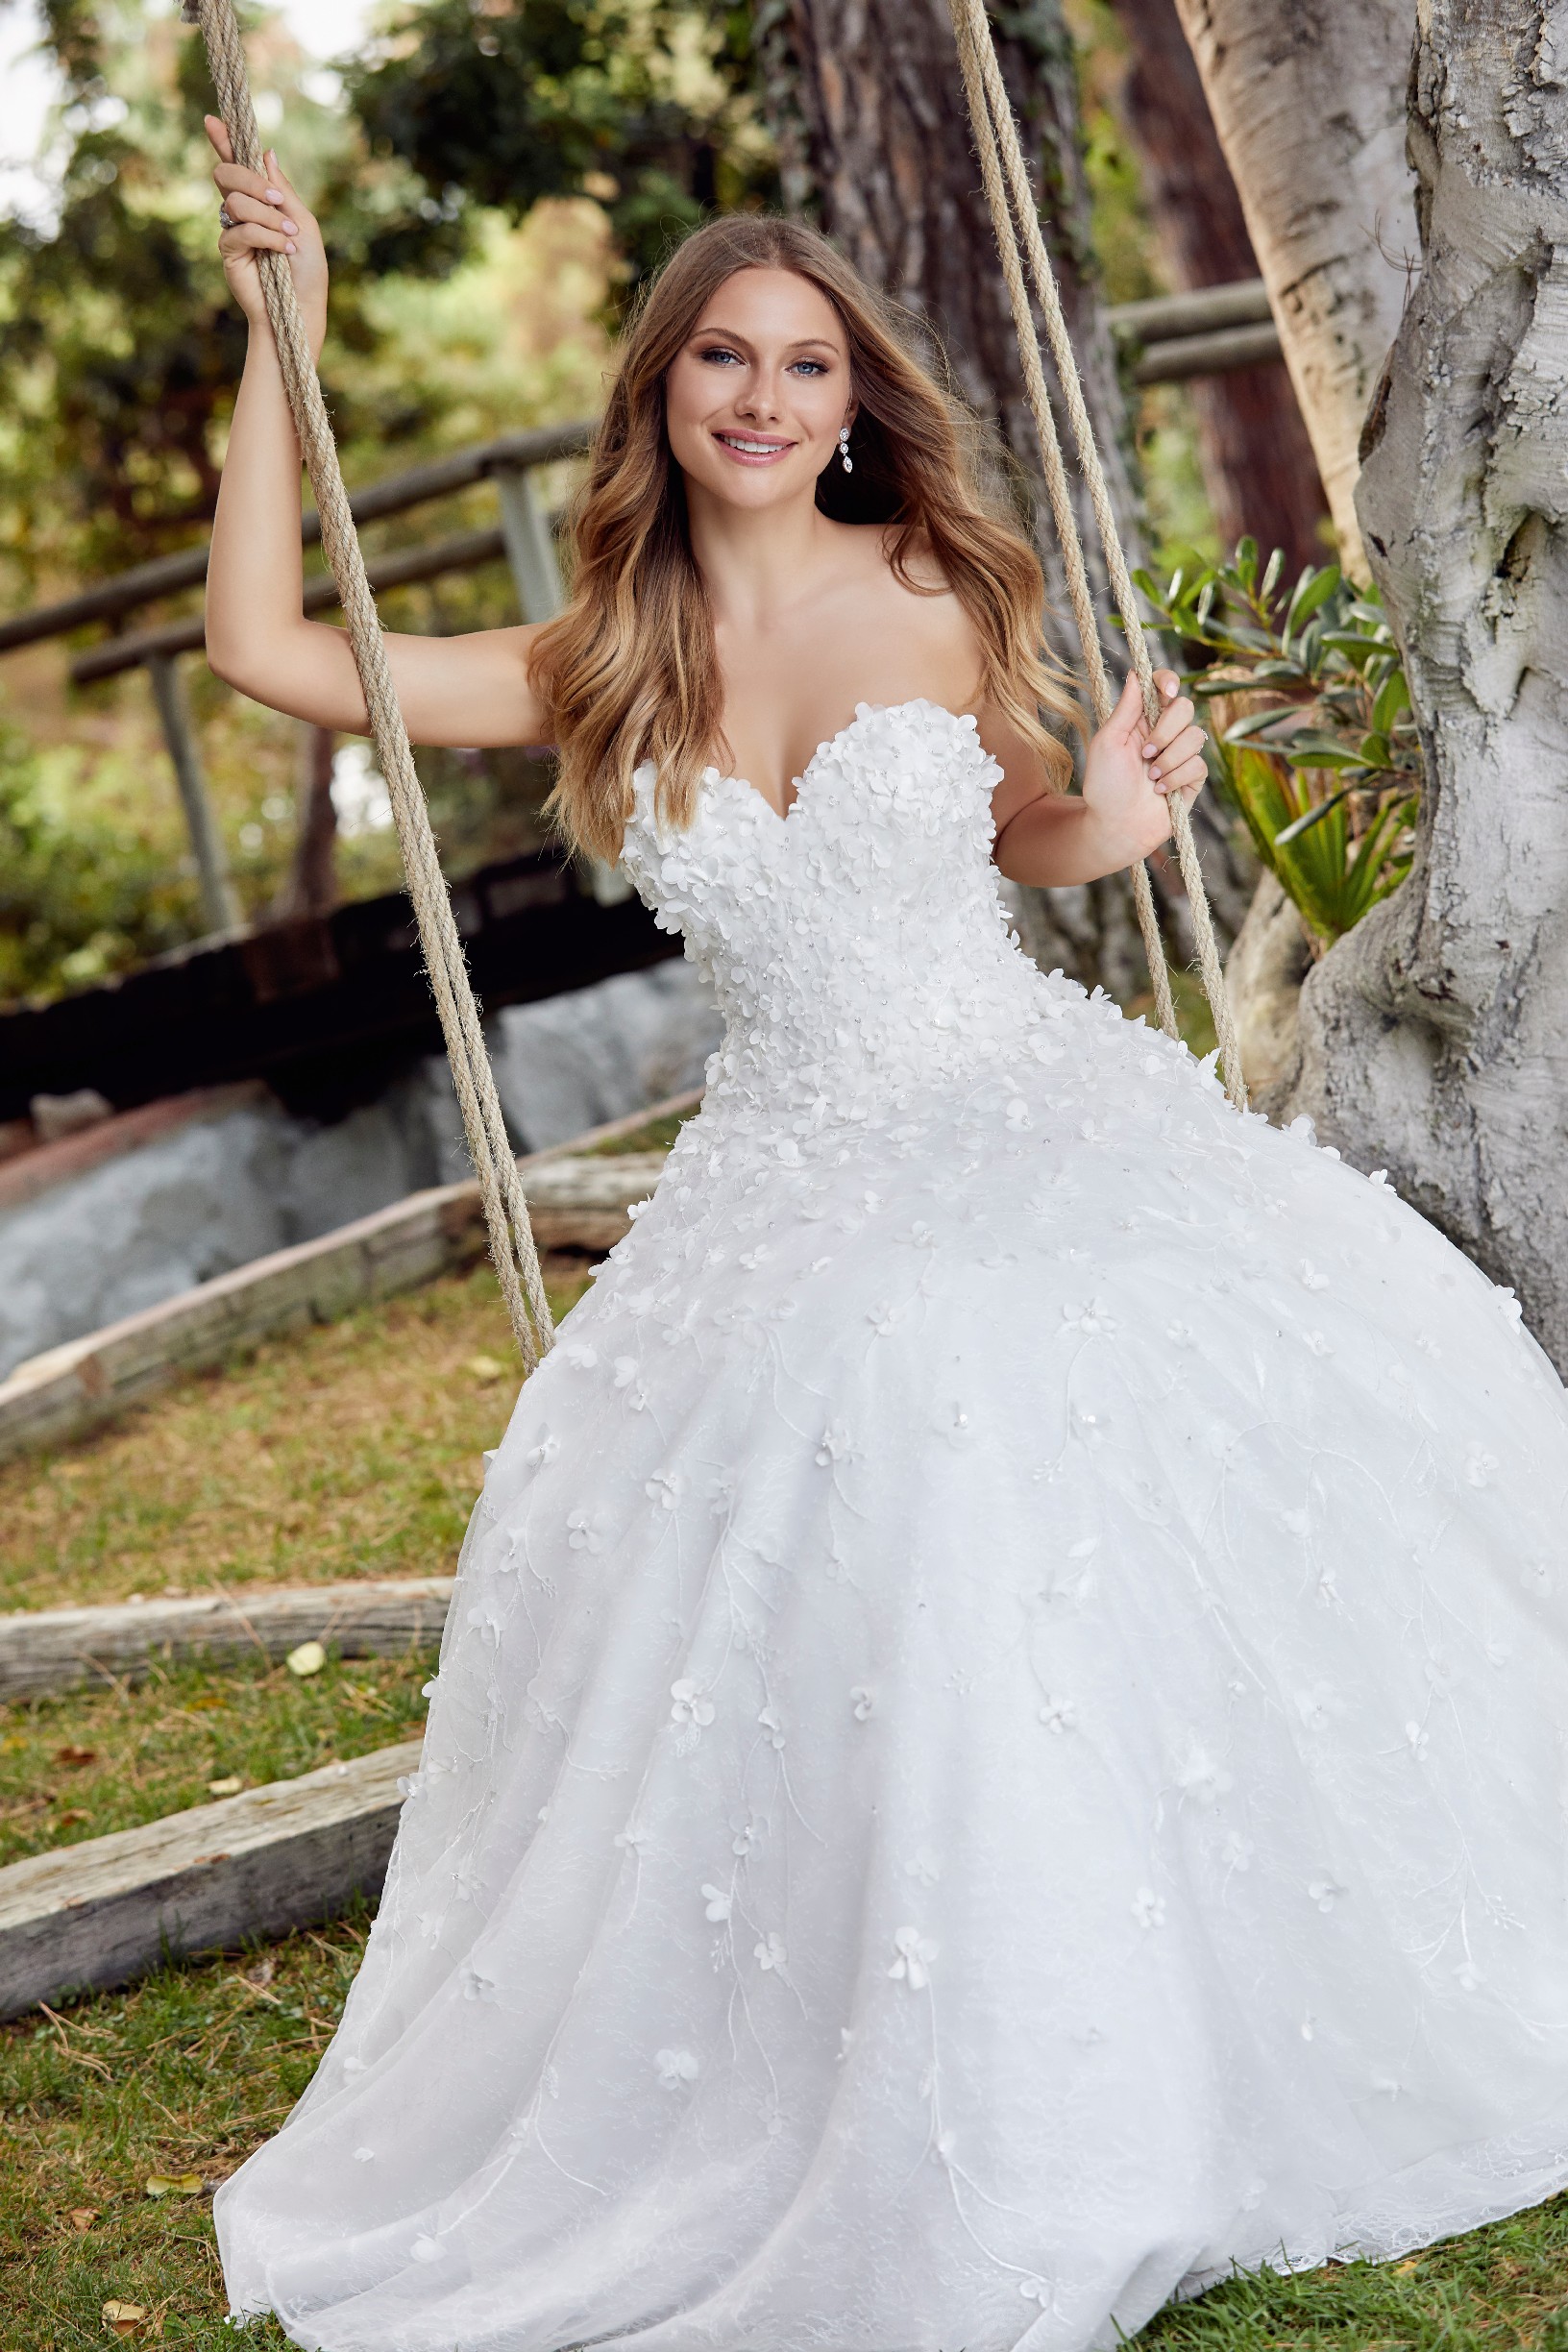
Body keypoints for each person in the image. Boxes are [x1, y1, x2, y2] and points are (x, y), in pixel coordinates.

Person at [204, 120, 1568, 2352]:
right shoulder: (594, 664)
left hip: (1015, 1099)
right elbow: (267, 642)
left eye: (807, 367)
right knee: (796, 1405)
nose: (764, 399)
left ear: (855, 403)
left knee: (1004, 1345)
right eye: (722, 360)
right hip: (788, 1163)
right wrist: (297, 335)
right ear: (659, 392)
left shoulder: (936, 592)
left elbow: (1026, 830)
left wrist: (1103, 822)